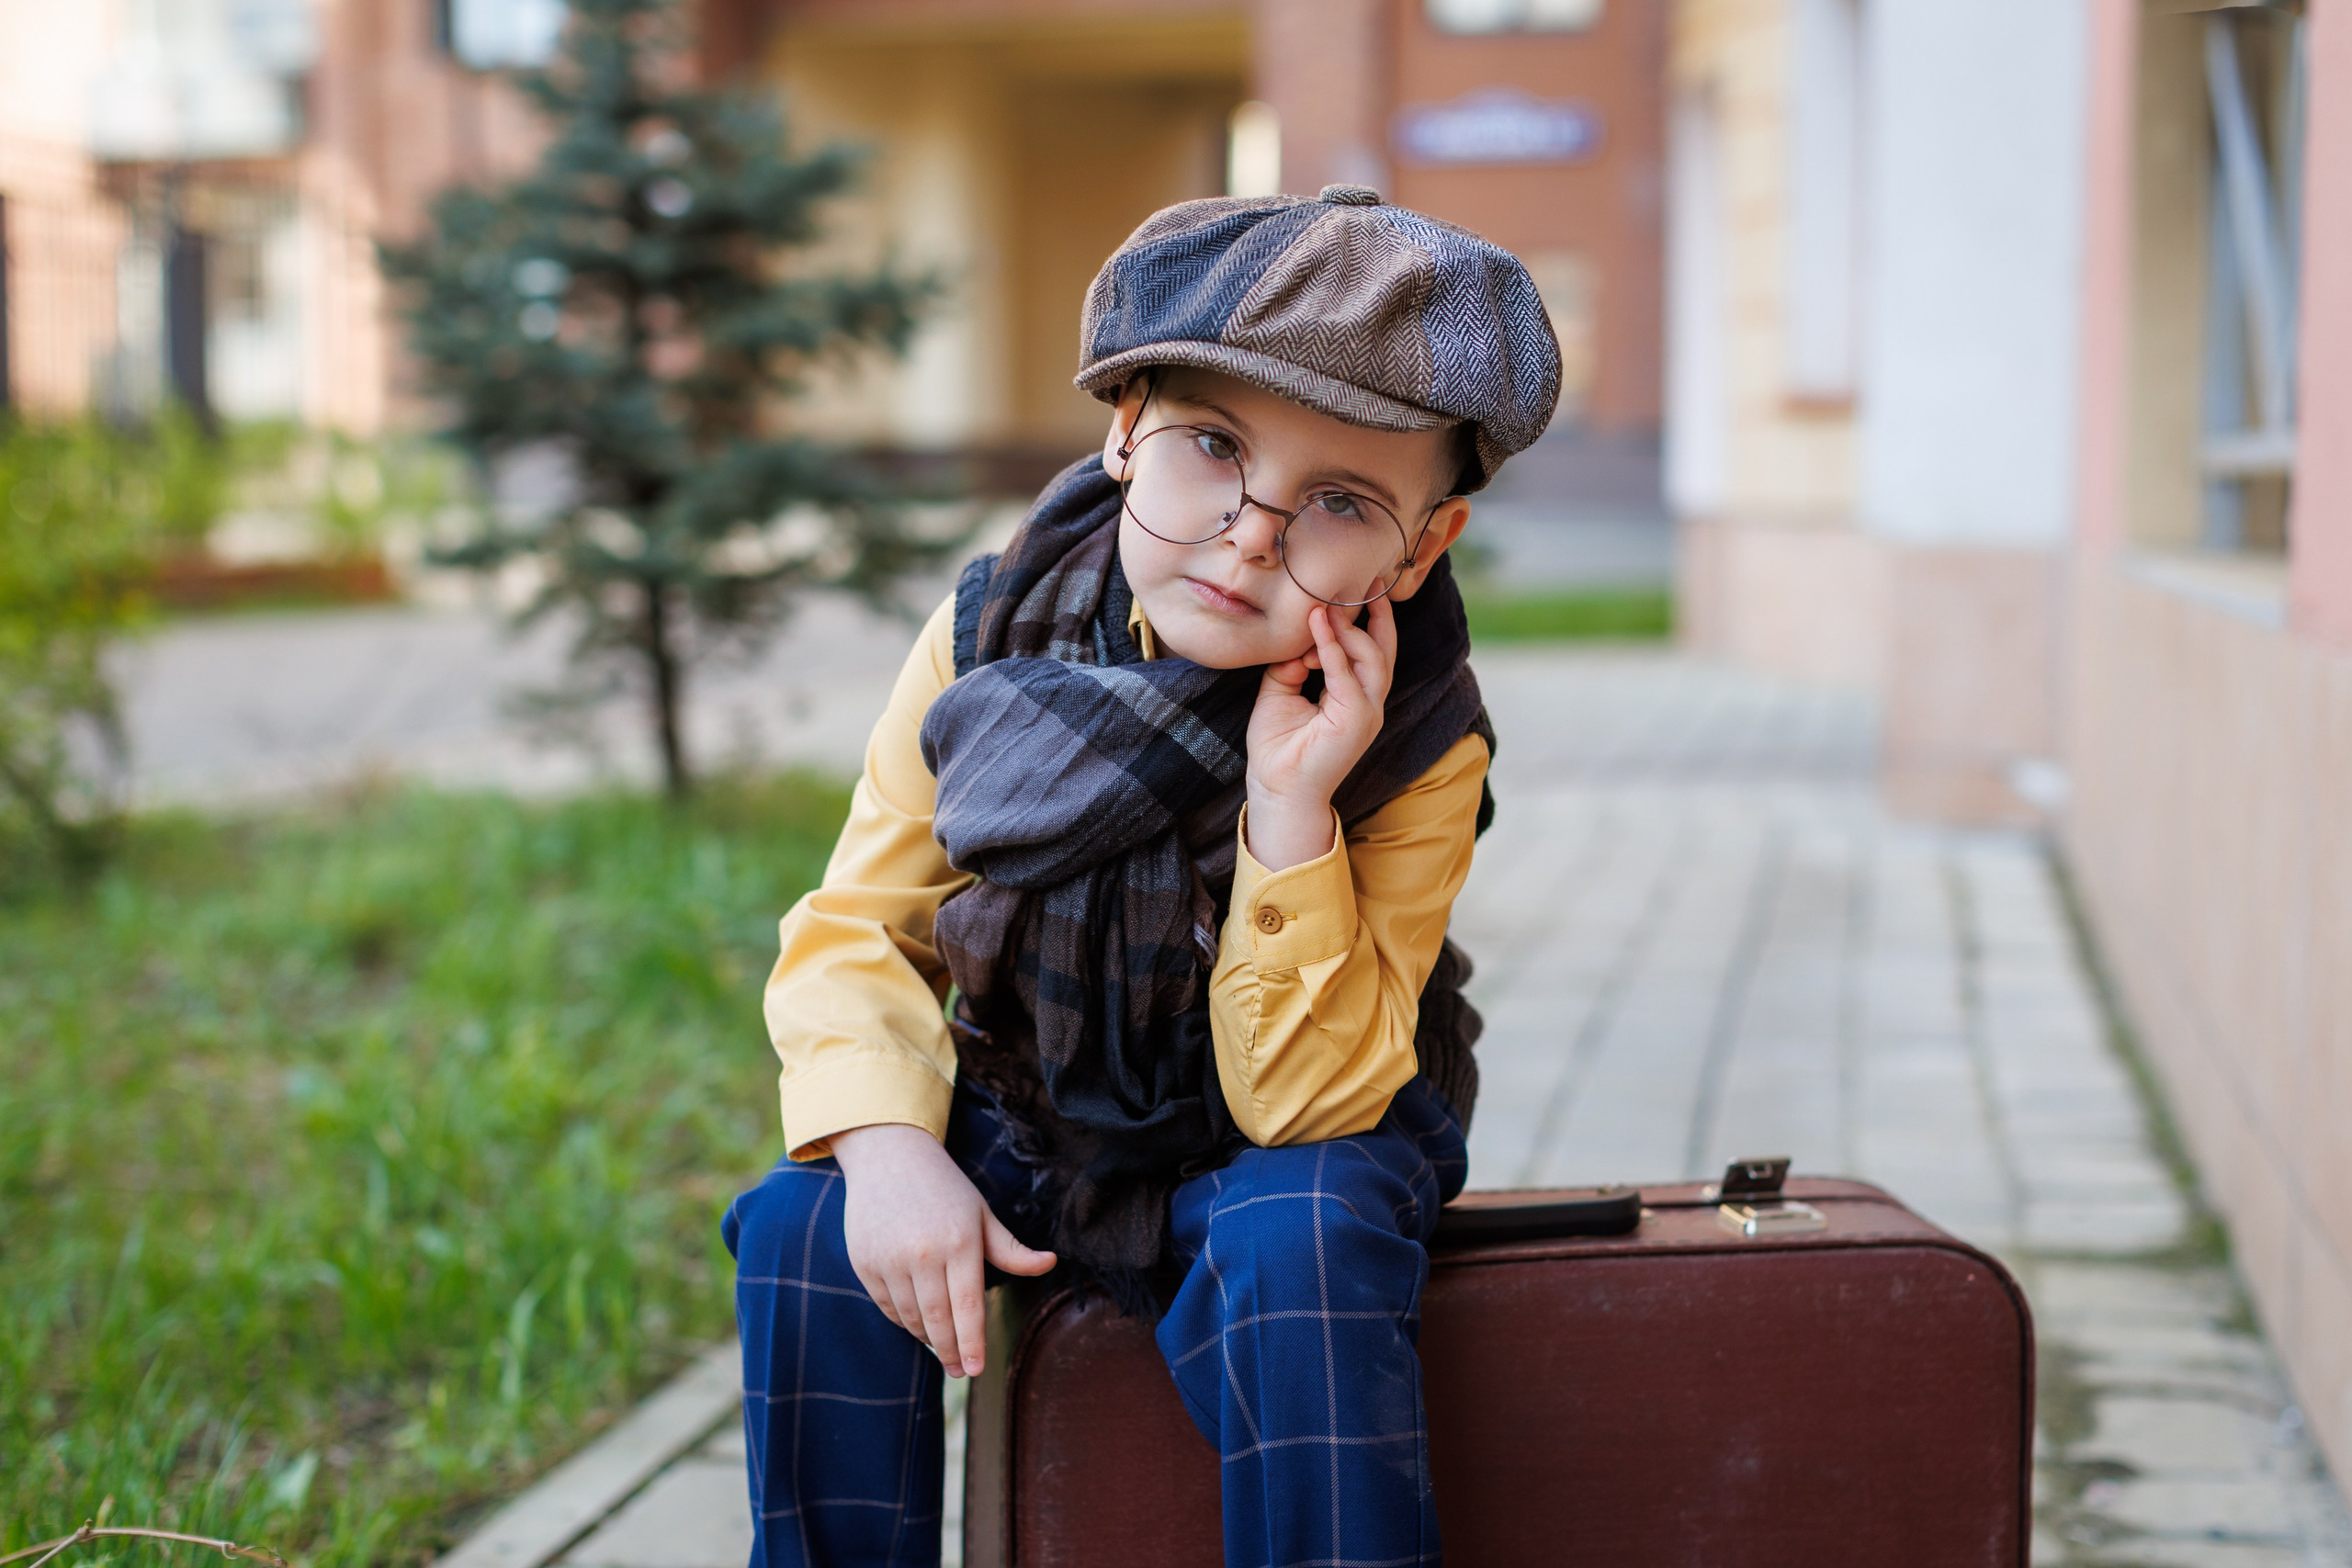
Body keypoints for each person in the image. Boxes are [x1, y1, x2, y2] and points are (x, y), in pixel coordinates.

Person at [724, 183, 1561, 1568]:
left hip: (1287, 1121)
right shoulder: (994, 629)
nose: (1250, 535)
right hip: (1040, 1092)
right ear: (1124, 433)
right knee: (813, 1220)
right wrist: (885, 1150)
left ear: (1420, 552)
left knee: (1302, 1237)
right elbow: (859, 927)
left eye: (1342, 502)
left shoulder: (1416, 738)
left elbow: (1308, 1102)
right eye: (1213, 447)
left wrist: (1291, 808)